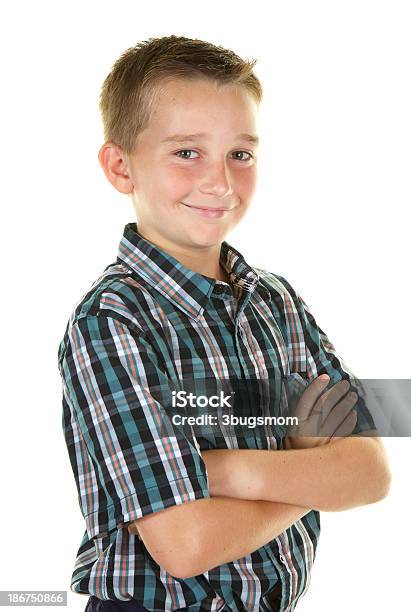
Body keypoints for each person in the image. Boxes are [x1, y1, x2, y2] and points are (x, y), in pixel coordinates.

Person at [57, 35, 391, 612]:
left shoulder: (277, 302)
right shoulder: (110, 321)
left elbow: (369, 472)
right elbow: (185, 544)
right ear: (120, 166)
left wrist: (226, 471)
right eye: (187, 153)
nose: (222, 182)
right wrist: (309, 478)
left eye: (241, 153)